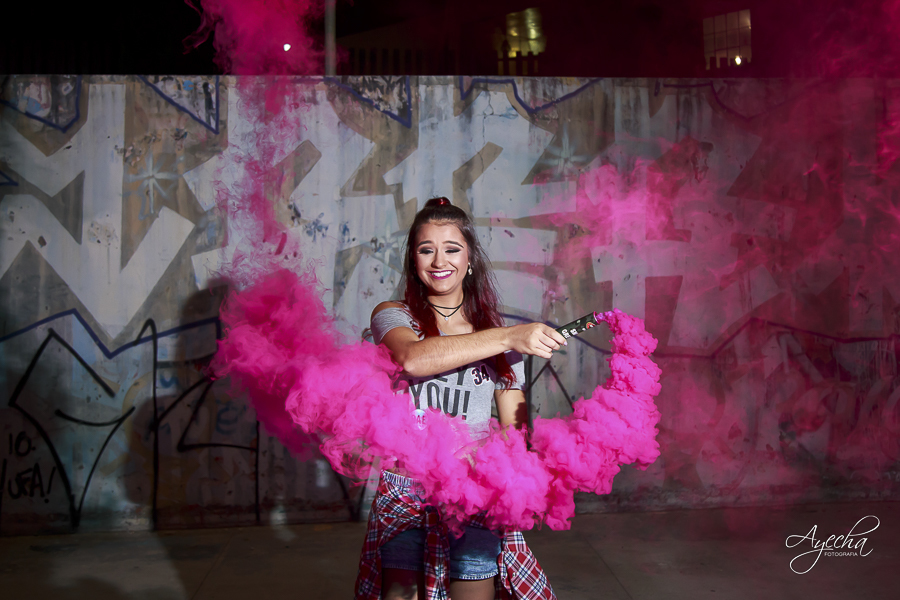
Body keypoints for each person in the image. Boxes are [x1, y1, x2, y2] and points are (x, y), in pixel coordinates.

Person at [355, 197, 567, 600]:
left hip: (473, 495)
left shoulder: (500, 336)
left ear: (470, 260)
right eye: (426, 249)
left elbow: (513, 432)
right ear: (414, 261)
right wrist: (507, 337)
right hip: (406, 495)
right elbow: (412, 359)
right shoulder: (394, 316)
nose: (439, 260)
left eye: (452, 249)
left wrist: (510, 482)